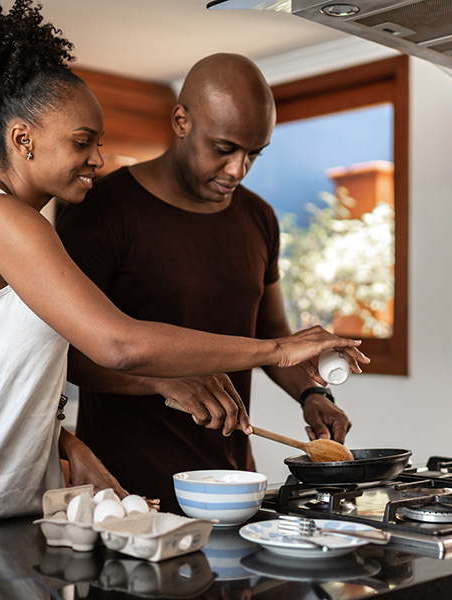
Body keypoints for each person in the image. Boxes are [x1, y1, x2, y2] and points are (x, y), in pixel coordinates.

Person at [0, 2, 368, 525]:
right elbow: (116, 345)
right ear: (22, 139)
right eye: (82, 142)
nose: (98, 159)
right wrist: (278, 349)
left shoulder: (21, 224)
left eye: (98, 143)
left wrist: (64, 441)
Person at [56, 53, 355, 513]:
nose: (238, 169)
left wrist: (312, 394)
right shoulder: (102, 211)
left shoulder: (259, 217)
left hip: (232, 487)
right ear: (182, 122)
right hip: (127, 494)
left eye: (253, 153)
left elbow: (271, 336)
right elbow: (67, 355)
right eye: (224, 148)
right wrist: (162, 379)